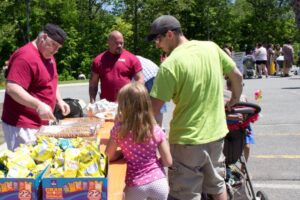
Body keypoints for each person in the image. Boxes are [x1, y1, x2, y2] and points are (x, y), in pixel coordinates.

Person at [146, 15, 243, 200]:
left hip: (186, 140)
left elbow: (154, 108)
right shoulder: (211, 47)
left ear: (169, 34)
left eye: (157, 39)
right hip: (216, 134)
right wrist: (233, 101)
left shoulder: (170, 65)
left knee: (186, 194)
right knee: (217, 186)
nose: (157, 45)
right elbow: (237, 76)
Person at [1, 23, 70, 151]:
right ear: (43, 37)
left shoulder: (49, 56)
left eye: (59, 48)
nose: (56, 51)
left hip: (40, 123)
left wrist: (59, 100)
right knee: (26, 166)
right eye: (54, 45)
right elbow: (12, 88)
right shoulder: (25, 56)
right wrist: (38, 105)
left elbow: (50, 82)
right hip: (22, 125)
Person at [105, 82, 172, 200]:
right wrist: (154, 166)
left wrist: (122, 153)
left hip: (135, 185)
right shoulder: (155, 129)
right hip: (159, 183)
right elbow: (168, 161)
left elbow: (107, 156)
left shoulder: (119, 130)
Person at [89, 31, 144, 103]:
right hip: (106, 104)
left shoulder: (131, 58)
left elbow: (140, 79)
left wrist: (132, 95)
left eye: (121, 43)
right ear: (108, 43)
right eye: (116, 43)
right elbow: (93, 83)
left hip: (126, 103)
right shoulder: (99, 60)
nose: (119, 45)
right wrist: (92, 102)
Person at [226, 79, 254, 163]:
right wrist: (231, 116)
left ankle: (244, 165)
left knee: (247, 146)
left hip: (242, 126)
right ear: (229, 87)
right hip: (227, 125)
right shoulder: (225, 97)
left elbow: (249, 110)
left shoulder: (243, 97)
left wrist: (248, 114)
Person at [136, 55, 167, 126]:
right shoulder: (132, 57)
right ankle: (158, 130)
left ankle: (155, 130)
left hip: (148, 77)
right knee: (158, 108)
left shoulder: (125, 59)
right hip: (156, 73)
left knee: (154, 108)